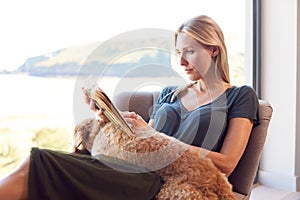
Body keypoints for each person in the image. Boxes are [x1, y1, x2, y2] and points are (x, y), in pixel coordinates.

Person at [0, 15, 259, 199]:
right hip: (135, 169)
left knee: (41, 163)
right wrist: (112, 119)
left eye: (189, 52)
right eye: (178, 53)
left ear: (213, 50)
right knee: (38, 161)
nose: (181, 61)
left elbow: (227, 164)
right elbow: (148, 143)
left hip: (157, 183)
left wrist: (159, 138)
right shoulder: (170, 93)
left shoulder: (239, 96)